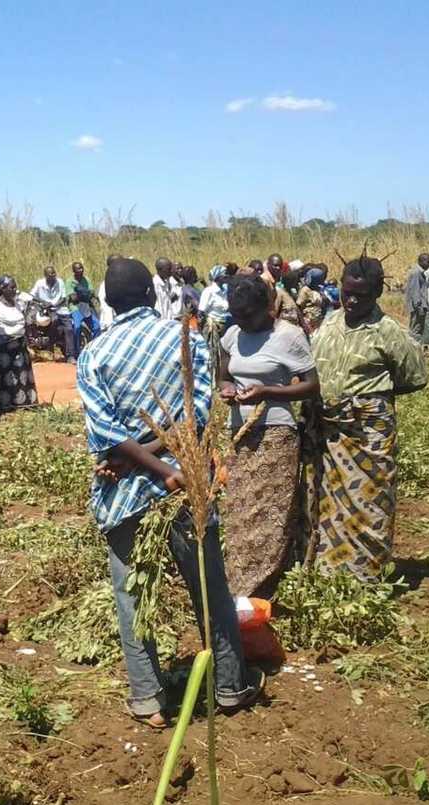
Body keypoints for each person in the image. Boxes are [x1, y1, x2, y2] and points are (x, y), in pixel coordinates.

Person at [76, 257, 263, 727]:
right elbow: (193, 412)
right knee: (210, 588)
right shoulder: (186, 339)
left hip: (123, 489)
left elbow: (107, 433)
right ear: (148, 295)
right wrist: (165, 463)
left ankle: (149, 702)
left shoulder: (93, 355)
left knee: (132, 596)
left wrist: (133, 456)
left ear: (108, 300)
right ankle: (230, 687)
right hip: (187, 484)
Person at [310, 252, 428, 580]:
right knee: (327, 499)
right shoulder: (329, 321)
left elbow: (414, 377)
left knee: (368, 500)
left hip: (368, 432)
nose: (351, 300)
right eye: (347, 292)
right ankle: (328, 568)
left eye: (361, 295)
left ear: (377, 293)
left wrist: (370, 400)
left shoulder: (389, 331)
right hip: (328, 431)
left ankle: (364, 574)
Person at [218, 276, 319, 597]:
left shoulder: (289, 336)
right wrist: (227, 389)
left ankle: (262, 588)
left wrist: (268, 392)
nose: (243, 322)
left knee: (269, 514)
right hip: (239, 433)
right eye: (236, 315)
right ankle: (239, 585)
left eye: (248, 314)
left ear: (268, 307)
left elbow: (311, 386)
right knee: (240, 512)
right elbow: (223, 374)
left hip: (276, 435)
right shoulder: (233, 334)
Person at [0, 275, 39, 412]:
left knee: (23, 375)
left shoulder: (18, 303)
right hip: (5, 348)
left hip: (20, 346)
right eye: (11, 287)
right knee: (8, 377)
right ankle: (7, 406)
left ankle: (25, 404)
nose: (15, 290)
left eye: (15, 287)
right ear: (2, 289)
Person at [30, 265, 75, 361]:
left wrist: (54, 304)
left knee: (69, 328)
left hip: (60, 309)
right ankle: (49, 349)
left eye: (54, 273)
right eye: (51, 273)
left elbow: (63, 298)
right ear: (45, 275)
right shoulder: (40, 283)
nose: (54, 275)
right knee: (53, 322)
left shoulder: (60, 282)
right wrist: (43, 302)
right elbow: (32, 296)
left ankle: (70, 355)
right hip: (45, 309)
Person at [68, 261, 101, 352]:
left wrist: (81, 292)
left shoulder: (86, 280)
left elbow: (91, 293)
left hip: (86, 307)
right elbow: (73, 298)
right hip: (75, 308)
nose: (81, 270)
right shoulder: (70, 281)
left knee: (97, 326)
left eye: (82, 268)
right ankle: (76, 351)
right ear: (73, 271)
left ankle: (95, 348)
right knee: (77, 328)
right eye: (78, 269)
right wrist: (85, 293)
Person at [404, 253, 429, 343]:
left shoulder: (419, 272)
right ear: (421, 261)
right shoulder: (416, 273)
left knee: (418, 327)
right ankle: (412, 347)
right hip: (418, 306)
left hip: (419, 305)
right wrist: (418, 306)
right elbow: (415, 291)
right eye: (428, 262)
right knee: (415, 329)